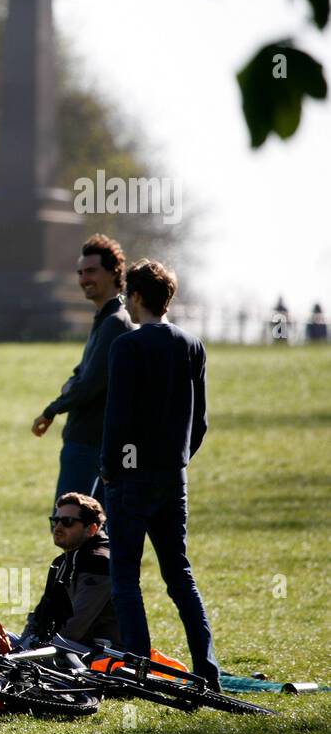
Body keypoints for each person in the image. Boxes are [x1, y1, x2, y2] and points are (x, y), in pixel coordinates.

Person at [101, 259, 220, 689]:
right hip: (173, 474)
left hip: (131, 478)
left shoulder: (127, 347)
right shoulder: (192, 345)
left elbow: (116, 420)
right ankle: (207, 669)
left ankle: (138, 670)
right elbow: (201, 421)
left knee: (126, 579)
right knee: (179, 574)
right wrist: (180, 458)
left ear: (135, 296)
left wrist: (109, 470)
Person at [31, 234, 133, 506]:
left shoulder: (115, 322)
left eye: (91, 271)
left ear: (114, 272)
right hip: (88, 440)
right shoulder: (105, 319)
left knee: (70, 525)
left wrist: (52, 409)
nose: (84, 279)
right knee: (85, 530)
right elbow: (82, 372)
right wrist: (72, 383)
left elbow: (90, 384)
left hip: (90, 443)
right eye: (80, 272)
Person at [17, 492, 121, 650]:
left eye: (68, 522)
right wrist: (21, 645)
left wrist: (31, 648)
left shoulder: (99, 562)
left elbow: (75, 626)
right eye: (55, 520)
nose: (58, 527)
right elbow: (40, 616)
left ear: (91, 529)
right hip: (60, 646)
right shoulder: (62, 562)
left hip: (97, 653)